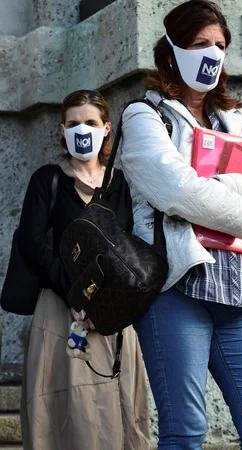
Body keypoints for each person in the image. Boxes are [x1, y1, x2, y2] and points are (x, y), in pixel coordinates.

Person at [119, 1, 242, 448]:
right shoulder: (145, 115)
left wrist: (210, 184)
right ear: (172, 51)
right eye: (200, 44)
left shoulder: (237, 118)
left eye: (220, 45)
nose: (212, 54)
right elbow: (175, 191)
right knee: (185, 430)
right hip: (178, 288)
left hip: (237, 290)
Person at [18, 89, 149, 450]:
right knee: (64, 408)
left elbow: (133, 247)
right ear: (62, 130)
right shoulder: (48, 180)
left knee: (115, 407)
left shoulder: (121, 183)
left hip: (112, 314)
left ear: (107, 129)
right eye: (73, 124)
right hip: (62, 311)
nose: (82, 130)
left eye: (90, 123)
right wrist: (77, 296)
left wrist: (106, 303)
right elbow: (33, 242)